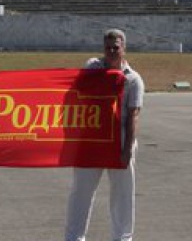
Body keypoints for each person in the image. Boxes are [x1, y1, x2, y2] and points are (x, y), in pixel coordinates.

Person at [65, 28, 145, 241]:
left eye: (115, 48)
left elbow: (133, 116)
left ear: (124, 48)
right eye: (108, 48)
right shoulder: (92, 68)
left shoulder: (133, 79)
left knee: (122, 195)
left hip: (120, 142)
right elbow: (76, 92)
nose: (111, 52)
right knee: (81, 191)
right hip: (91, 141)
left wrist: (127, 150)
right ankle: (74, 237)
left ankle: (122, 238)